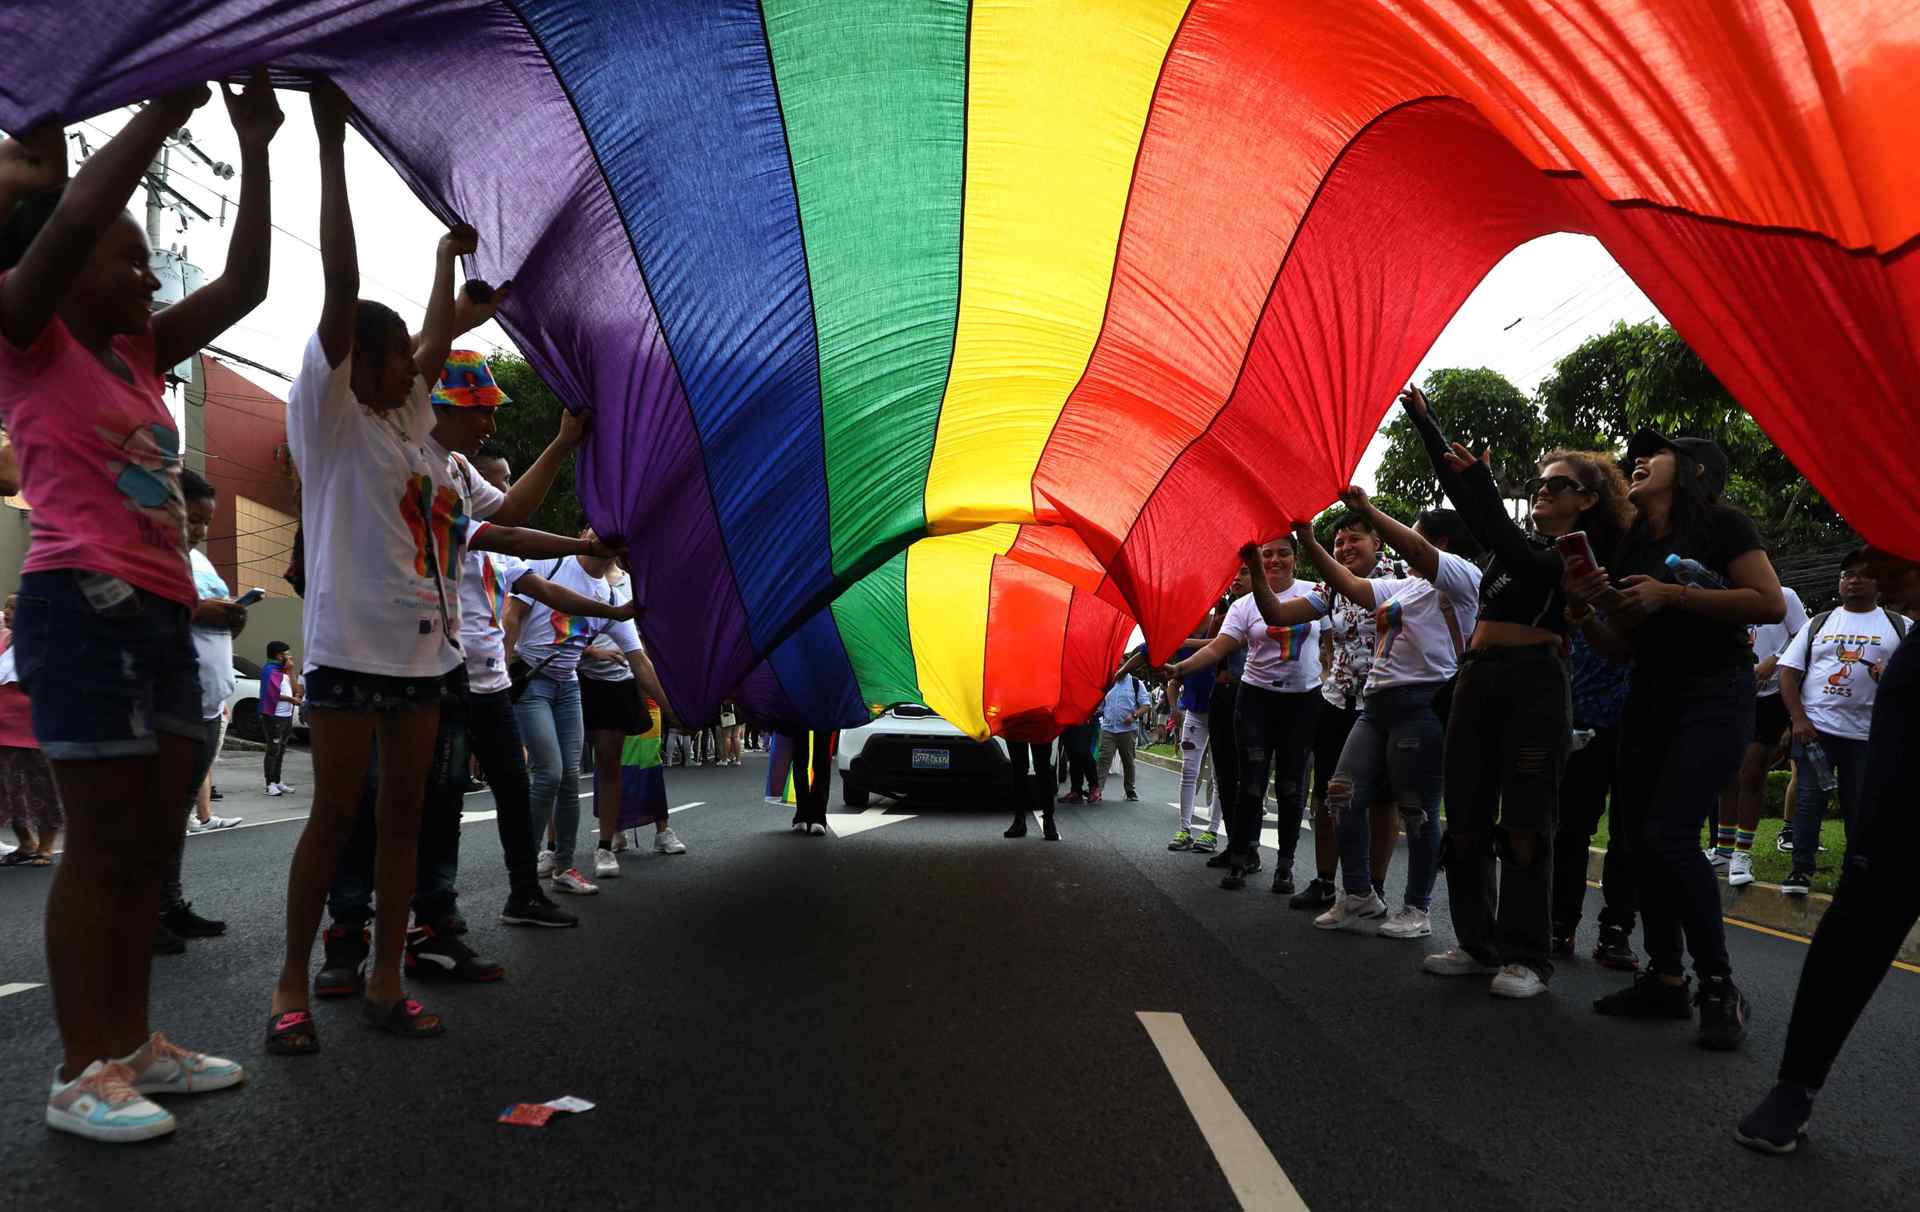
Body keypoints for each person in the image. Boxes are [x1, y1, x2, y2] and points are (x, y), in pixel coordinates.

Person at [1, 75, 280, 1139]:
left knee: (148, 855)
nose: (149, 269)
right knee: (104, 850)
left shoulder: (138, 353)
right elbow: (69, 219)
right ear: (66, 266)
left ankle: (132, 1048)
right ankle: (81, 1073)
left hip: (166, 614)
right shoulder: (25, 334)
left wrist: (253, 143)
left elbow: (246, 283)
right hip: (83, 607)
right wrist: (161, 115)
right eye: (128, 256)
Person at [268, 82, 544, 1052]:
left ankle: (386, 979)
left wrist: (446, 272)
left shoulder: (414, 431)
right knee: (336, 819)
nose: (415, 367)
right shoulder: (333, 421)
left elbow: (433, 340)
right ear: (361, 363)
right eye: (397, 358)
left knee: (401, 826)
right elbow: (343, 287)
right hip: (350, 654)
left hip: (429, 663)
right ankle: (292, 990)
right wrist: (332, 145)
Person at [1397, 387, 1635, 995]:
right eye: (1539, 483)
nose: (1543, 491)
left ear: (1587, 499)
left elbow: (1491, 525)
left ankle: (1528, 954)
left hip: (1534, 686)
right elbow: (1490, 528)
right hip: (1477, 681)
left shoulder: (1580, 559)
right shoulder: (1515, 552)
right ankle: (1477, 942)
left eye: (1557, 485)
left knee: (1528, 819)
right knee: (1468, 817)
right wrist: (1429, 429)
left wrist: (1466, 470)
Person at [1565, 428, 1785, 1051]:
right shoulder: (1635, 539)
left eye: (1655, 453)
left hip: (1714, 694)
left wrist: (1672, 593)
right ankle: (1665, 978)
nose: (1638, 459)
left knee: (1668, 833)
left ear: (1691, 470)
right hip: (1651, 696)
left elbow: (1768, 604)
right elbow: (1622, 646)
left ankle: (1718, 984)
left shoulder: (1723, 524)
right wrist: (1588, 609)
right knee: (1634, 839)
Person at [1736, 547, 1920, 1153]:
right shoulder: (1904, 638)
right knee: (1851, 936)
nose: (1867, 574)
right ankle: (1795, 1087)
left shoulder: (1901, 631)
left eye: (1884, 563)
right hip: (1895, 830)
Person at [1254, 496, 1483, 936]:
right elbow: (1351, 586)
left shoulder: (1460, 576)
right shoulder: (1407, 587)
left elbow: (1415, 552)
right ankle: (1358, 895)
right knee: (1340, 793)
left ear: (1440, 542)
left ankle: (1416, 908)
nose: (1407, 541)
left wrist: (1368, 510)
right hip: (1374, 706)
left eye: (1415, 531)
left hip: (1421, 705)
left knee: (1415, 810)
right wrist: (1307, 538)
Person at [1166, 540, 1325, 892]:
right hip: (1254, 700)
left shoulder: (1316, 592)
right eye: (1266, 554)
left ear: (1295, 558)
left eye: (1283, 552)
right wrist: (1179, 668)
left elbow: (1330, 644)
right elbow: (1218, 647)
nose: (1274, 560)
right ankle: (1240, 857)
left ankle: (1285, 866)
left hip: (1302, 703)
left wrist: (1325, 682)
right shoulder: (1243, 605)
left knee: (1290, 785)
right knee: (1250, 783)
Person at [506, 528, 637, 896]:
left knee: (569, 778)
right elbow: (512, 614)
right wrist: (504, 667)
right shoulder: (549, 562)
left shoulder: (611, 595)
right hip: (532, 680)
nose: (606, 538)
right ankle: (523, 874)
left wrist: (678, 709)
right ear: (583, 534)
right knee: (548, 772)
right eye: (598, 528)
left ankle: (564, 866)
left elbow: (639, 662)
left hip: (569, 687)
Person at [1774, 550, 1909, 894]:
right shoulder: (1819, 623)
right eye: (1847, 574)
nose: (1853, 580)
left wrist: (1891, 677)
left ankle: (1857, 875)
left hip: (1870, 736)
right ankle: (1801, 871)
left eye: (1862, 574)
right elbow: (1788, 674)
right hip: (1817, 732)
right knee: (1808, 800)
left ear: (1879, 584)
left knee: (1861, 805)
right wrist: (1799, 719)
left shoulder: (1900, 627)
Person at [156, 468, 250, 951]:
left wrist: (233, 615)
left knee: (176, 816)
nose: (196, 531)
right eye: (191, 519)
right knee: (158, 814)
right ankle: (145, 914)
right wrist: (196, 610)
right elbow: (145, 609)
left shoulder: (198, 562)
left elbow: (213, 620)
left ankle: (168, 906)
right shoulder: (147, 554)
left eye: (203, 524)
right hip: (169, 702)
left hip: (209, 703)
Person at [1295, 514, 1408, 912]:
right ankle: (1326, 881)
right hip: (1337, 700)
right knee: (1329, 793)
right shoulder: (1329, 586)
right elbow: (1279, 613)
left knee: (1382, 798)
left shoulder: (1404, 575)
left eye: (1353, 539)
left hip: (1387, 702)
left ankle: (1372, 888)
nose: (1344, 548)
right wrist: (1257, 569)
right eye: (1338, 542)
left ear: (1378, 540)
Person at [580, 557, 681, 878]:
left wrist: (674, 703)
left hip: (639, 683)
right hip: (585, 680)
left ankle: (662, 830)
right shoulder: (574, 577)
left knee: (648, 758)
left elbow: (654, 629)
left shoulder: (635, 581)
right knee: (604, 762)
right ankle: (609, 833)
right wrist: (592, 653)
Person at [1550, 628, 1639, 968]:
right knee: (1569, 830)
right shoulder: (1578, 590)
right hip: (1582, 723)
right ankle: (1560, 924)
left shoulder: (1652, 583)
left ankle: (1616, 930)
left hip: (1638, 724)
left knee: (1628, 833)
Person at [1716, 584, 1808, 884]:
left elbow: (1803, 635)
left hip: (1771, 696)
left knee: (1751, 771)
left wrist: (1775, 660)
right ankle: (1723, 848)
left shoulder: (1785, 595)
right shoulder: (1723, 592)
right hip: (1733, 691)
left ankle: (1743, 853)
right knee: (1727, 772)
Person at [0, 591, 60, 869]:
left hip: (35, 732)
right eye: (6, 607)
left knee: (42, 789)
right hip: (3, 732)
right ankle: (26, 844)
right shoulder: (3, 641)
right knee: (8, 793)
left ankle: (46, 847)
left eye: (15, 607)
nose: (8, 611)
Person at [1094, 669, 1151, 802]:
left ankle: (1130, 789)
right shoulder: (1109, 684)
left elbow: (1146, 705)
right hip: (1108, 728)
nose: (1118, 669)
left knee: (1128, 760)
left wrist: (1134, 715)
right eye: (1116, 666)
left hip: (1127, 730)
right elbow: (1101, 705)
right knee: (1103, 759)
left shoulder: (1135, 683)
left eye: (1122, 666)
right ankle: (1097, 790)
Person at [258, 640, 301, 796]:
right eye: (287, 654)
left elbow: (296, 689)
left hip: (287, 715)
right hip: (273, 716)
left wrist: (291, 671)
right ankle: (269, 784)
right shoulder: (269, 670)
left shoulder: (285, 670)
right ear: (278, 655)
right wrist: (291, 700)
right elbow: (272, 694)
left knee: (282, 749)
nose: (290, 656)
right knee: (273, 750)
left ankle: (277, 780)